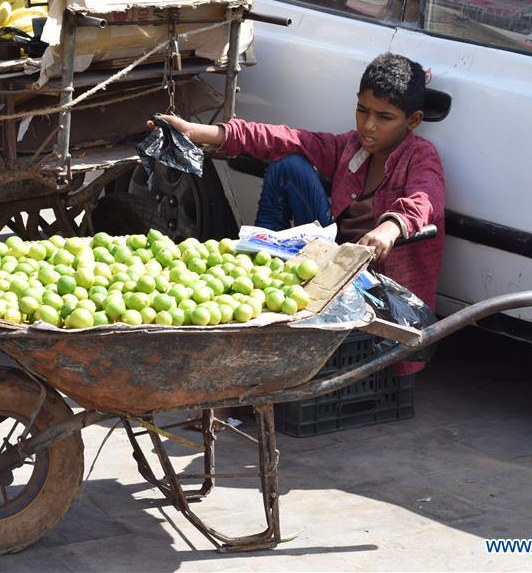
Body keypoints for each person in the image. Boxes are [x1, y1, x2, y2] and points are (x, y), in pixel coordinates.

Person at [151, 52, 445, 377]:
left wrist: (391, 228)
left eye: (384, 117)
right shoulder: (351, 147)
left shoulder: (420, 157)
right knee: (288, 165)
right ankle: (258, 272)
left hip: (375, 291)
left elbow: (425, 198)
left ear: (413, 120)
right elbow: (284, 138)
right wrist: (197, 132)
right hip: (334, 265)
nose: (368, 125)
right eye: (362, 111)